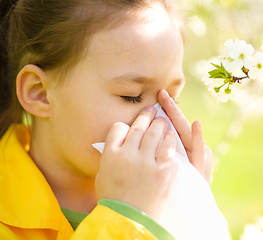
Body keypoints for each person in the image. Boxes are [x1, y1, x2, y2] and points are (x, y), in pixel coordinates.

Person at [0, 0, 214, 239]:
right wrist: (126, 215)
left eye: (171, 98)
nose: (160, 122)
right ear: (40, 93)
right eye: (131, 97)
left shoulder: (167, 197)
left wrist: (190, 206)